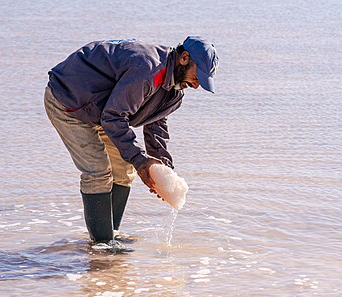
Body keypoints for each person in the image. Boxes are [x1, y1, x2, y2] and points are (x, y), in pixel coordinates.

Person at [44, 36, 218, 244]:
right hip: (69, 100)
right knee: (98, 171)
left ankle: (111, 234)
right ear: (184, 58)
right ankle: (102, 245)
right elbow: (113, 117)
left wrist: (163, 172)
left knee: (125, 170)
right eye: (198, 76)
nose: (197, 86)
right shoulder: (148, 70)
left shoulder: (175, 93)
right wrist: (141, 161)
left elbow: (155, 125)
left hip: (104, 109)